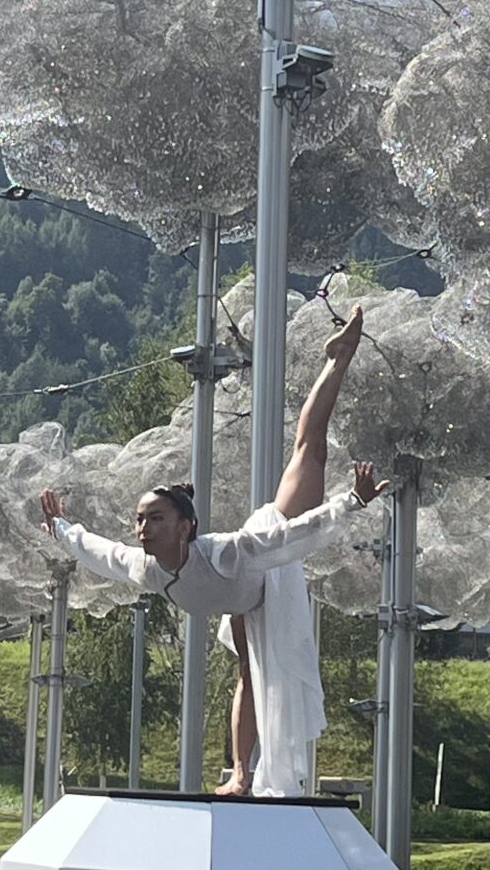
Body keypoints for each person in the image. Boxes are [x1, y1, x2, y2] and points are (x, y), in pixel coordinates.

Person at [40, 308, 377, 797]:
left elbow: (290, 539)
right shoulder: (151, 570)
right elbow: (99, 552)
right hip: (241, 601)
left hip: (263, 571)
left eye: (155, 518)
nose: (142, 528)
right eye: (139, 519)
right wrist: (61, 528)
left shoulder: (224, 552)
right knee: (247, 671)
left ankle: (338, 359)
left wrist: (351, 502)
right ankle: (241, 774)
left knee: (310, 449)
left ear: (186, 527)